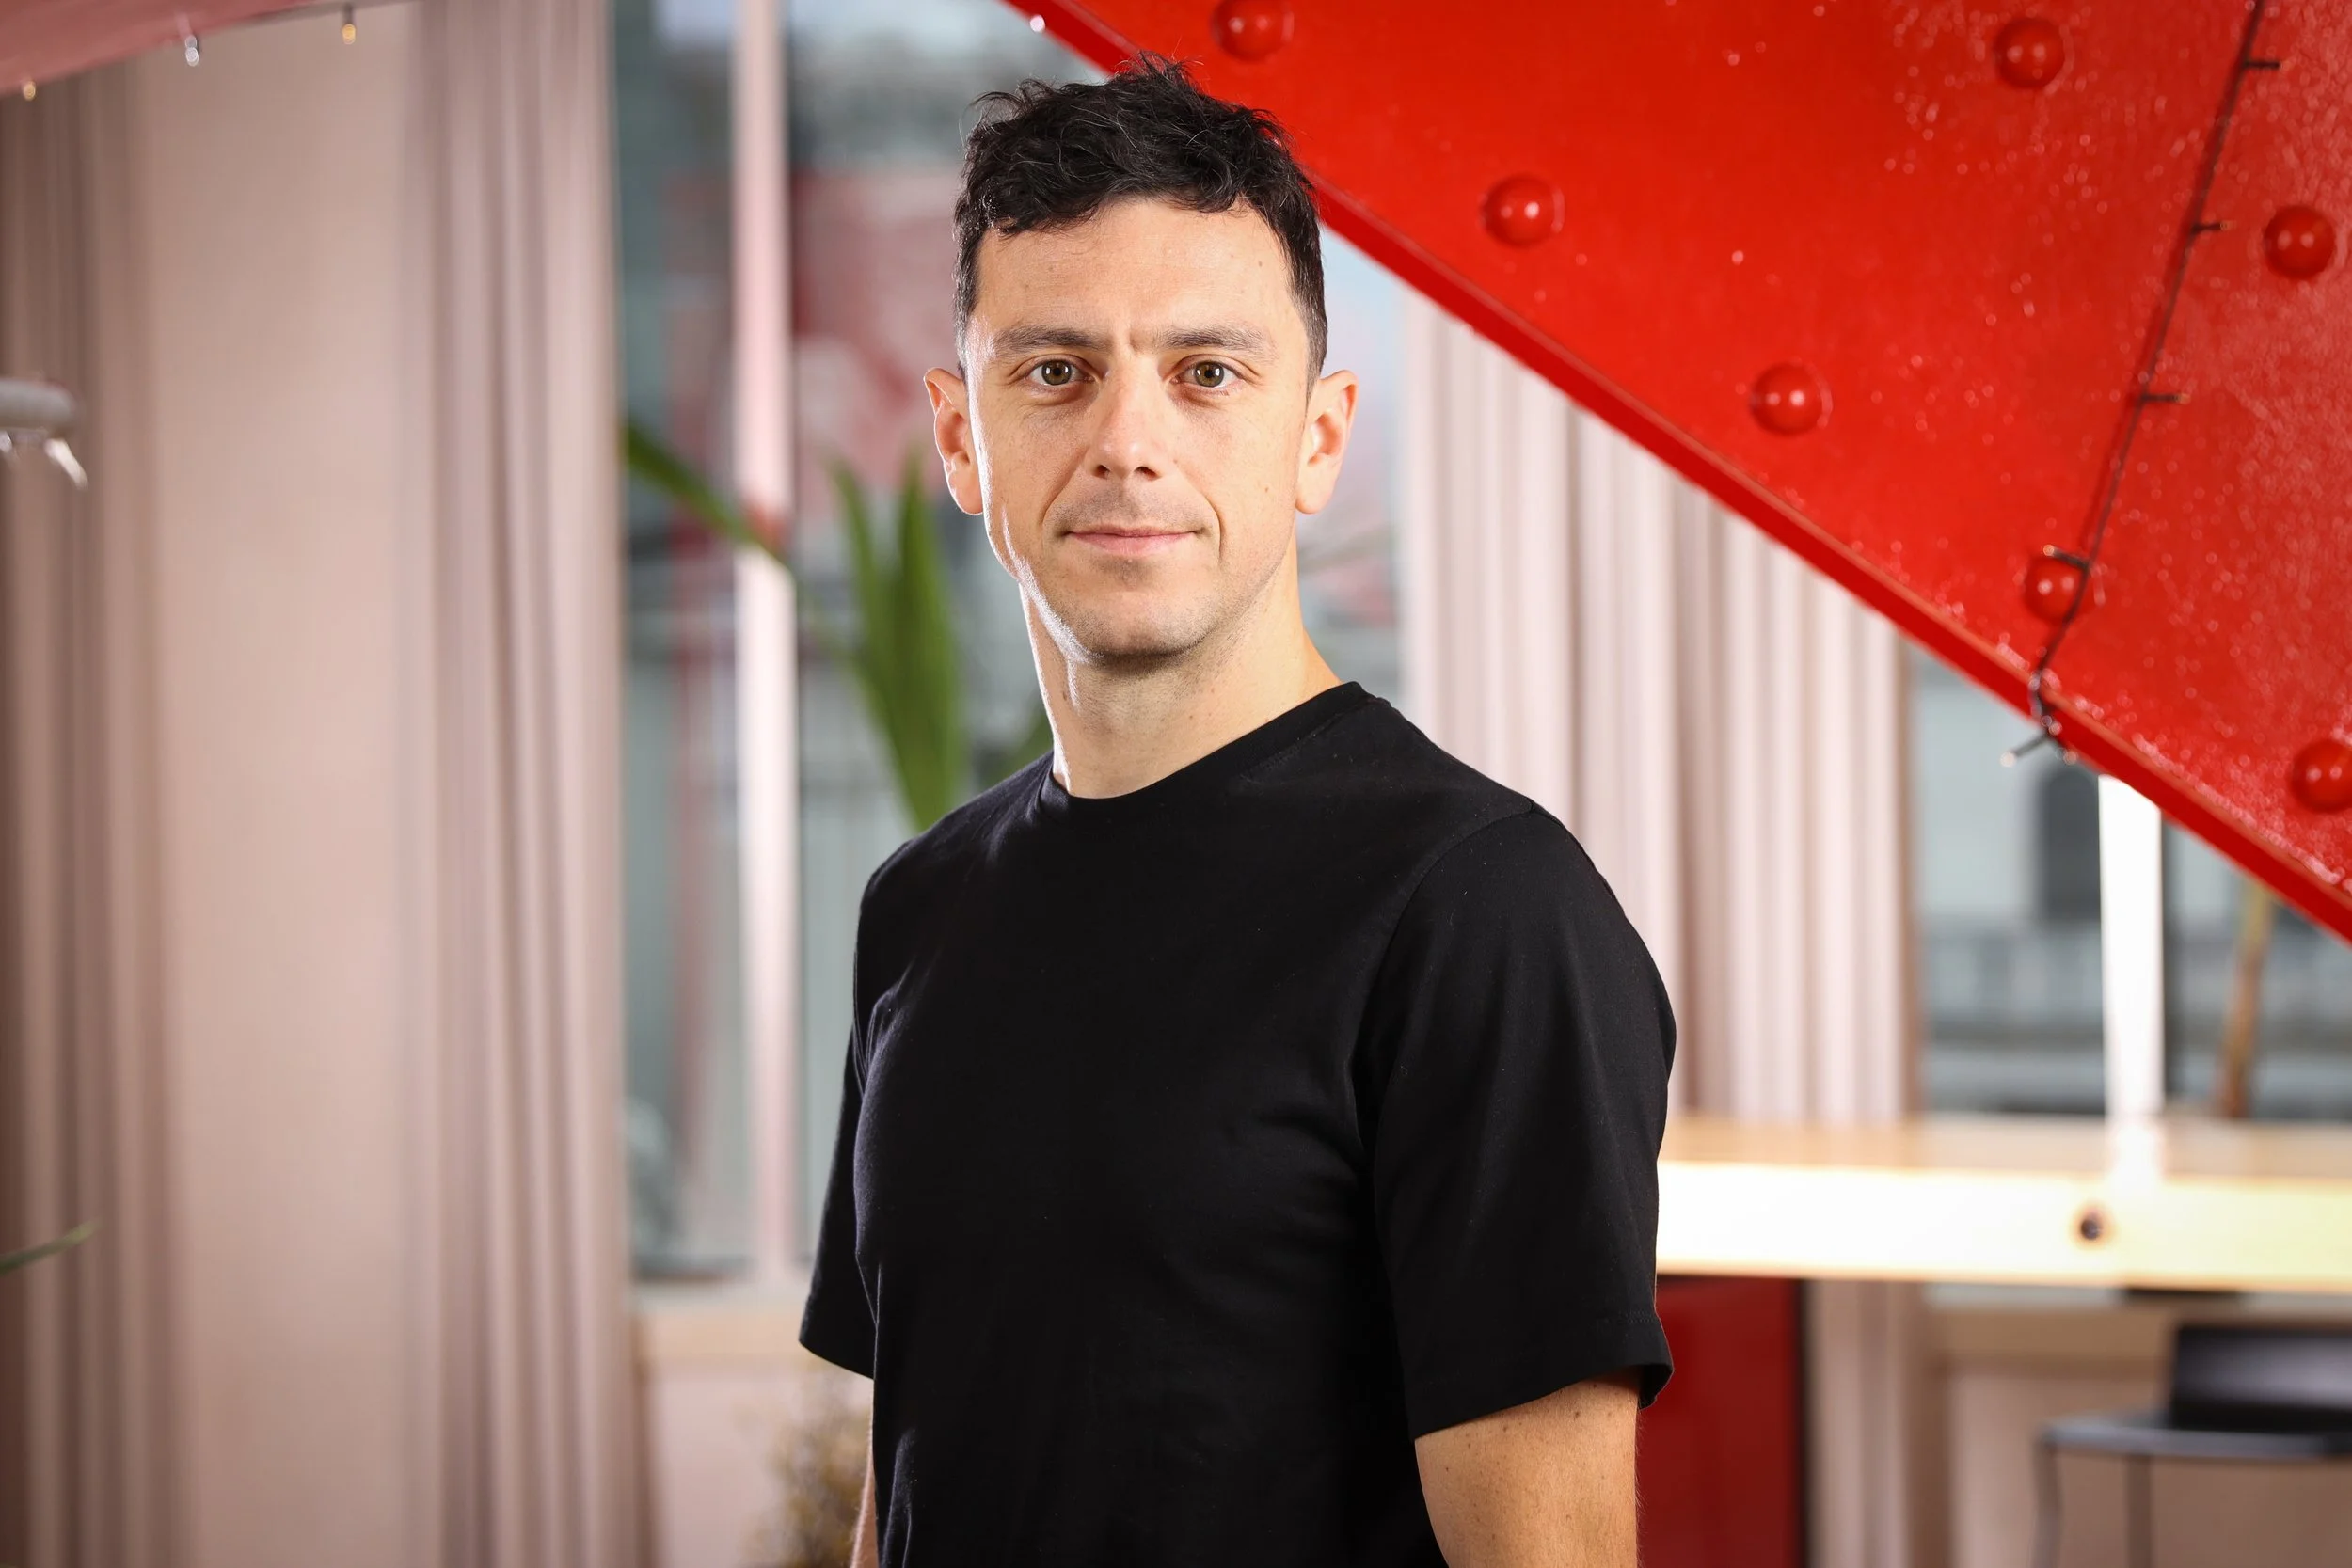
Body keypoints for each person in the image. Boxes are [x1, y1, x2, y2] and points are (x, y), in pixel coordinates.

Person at [800, 55, 1675, 1568]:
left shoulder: (1479, 911)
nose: (1129, 443)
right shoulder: (916, 907)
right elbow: (913, 1470)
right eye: (1056, 370)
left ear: (1318, 437)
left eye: (1207, 372)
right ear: (961, 438)